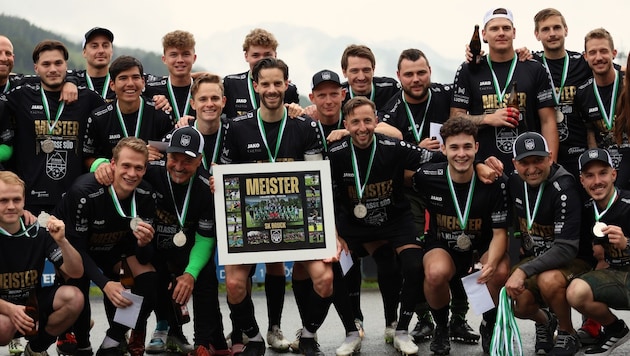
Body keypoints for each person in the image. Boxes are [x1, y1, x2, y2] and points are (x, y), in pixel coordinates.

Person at [220, 57, 333, 356]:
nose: (272, 89)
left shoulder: (305, 125)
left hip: (296, 222)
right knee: (233, 283)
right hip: (251, 224)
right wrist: (217, 182)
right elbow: (224, 173)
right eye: (265, 83)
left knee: (325, 279)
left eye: (277, 83)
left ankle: (307, 335)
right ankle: (255, 338)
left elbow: (316, 180)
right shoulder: (237, 126)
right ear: (255, 86)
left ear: (287, 85)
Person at [378, 48, 480, 345]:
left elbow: (472, 91)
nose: (416, 79)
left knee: (463, 252)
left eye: (421, 72)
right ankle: (425, 320)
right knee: (418, 257)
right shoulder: (393, 106)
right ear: (399, 77)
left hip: (453, 188)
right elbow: (377, 130)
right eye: (409, 74)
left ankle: (459, 320)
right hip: (411, 190)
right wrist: (412, 145)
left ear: (430, 71)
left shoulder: (446, 94)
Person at [328, 96, 435, 355]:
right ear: (346, 124)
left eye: (367, 120)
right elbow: (317, 189)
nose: (362, 127)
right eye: (355, 122)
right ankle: (351, 332)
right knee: (334, 267)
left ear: (376, 121)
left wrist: (477, 165)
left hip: (394, 221)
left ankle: (400, 329)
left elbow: (436, 158)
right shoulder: (335, 154)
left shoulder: (394, 146)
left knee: (413, 265)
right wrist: (333, 233)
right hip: (352, 225)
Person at [412, 117, 510, 354]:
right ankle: (442, 328)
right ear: (443, 148)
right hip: (443, 246)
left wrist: (492, 263)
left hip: (482, 246)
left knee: (499, 271)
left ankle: (489, 323)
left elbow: (499, 234)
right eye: (454, 147)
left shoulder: (493, 182)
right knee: (435, 273)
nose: (461, 154)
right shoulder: (426, 176)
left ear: (477, 148)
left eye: (467, 147)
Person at [53, 137, 158, 356]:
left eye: (138, 168)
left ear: (145, 169)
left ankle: (114, 339)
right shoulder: (84, 192)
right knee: (77, 280)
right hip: (76, 249)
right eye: (126, 166)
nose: (131, 173)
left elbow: (144, 255)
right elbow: (77, 249)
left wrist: (144, 243)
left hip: (112, 249)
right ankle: (82, 343)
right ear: (112, 164)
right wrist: (105, 284)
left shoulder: (146, 194)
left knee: (148, 278)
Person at [142, 126, 229, 356]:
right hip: (153, 249)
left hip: (187, 251)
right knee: (145, 275)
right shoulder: (150, 171)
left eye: (187, 161)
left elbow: (205, 237)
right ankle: (146, 331)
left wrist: (190, 274)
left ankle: (202, 342)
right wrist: (99, 165)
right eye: (174, 158)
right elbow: (116, 165)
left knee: (205, 274)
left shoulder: (206, 186)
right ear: (166, 155)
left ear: (200, 159)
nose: (179, 167)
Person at [504, 132, 593, 355]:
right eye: (525, 162)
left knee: (548, 279)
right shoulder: (514, 182)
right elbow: (514, 226)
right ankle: (545, 322)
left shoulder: (565, 187)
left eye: (538, 160)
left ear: (550, 157)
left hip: (573, 260)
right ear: (515, 163)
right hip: (537, 258)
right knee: (519, 301)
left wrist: (523, 270)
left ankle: (567, 332)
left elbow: (566, 248)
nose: (532, 168)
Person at [0, 39, 106, 214]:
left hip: (72, 199)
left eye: (58, 63)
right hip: (29, 201)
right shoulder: (21, 96)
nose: (53, 69)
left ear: (66, 66)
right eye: (46, 64)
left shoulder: (87, 98)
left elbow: (116, 117)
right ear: (36, 68)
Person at [450, 7, 559, 174]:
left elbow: (548, 121)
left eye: (506, 28)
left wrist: (551, 166)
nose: (501, 33)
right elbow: (455, 118)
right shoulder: (469, 70)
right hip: (485, 165)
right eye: (494, 29)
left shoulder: (534, 68)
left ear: (514, 32)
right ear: (484, 35)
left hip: (529, 164)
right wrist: (488, 119)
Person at [0, 171, 84, 356]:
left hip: (33, 303)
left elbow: (76, 272)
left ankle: (36, 348)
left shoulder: (38, 231)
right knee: (3, 327)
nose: (11, 206)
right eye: (3, 200)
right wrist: (10, 309)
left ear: (24, 201)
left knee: (74, 297)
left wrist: (62, 241)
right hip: (3, 309)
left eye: (16, 199)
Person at [566, 148, 630, 355]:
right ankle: (615, 329)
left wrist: (626, 243)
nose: (597, 181)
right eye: (589, 176)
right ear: (582, 180)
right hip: (614, 275)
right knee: (575, 292)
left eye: (603, 173)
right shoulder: (585, 210)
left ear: (614, 174)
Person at [531, 8, 594, 179]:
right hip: (541, 153)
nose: (552, 34)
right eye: (545, 29)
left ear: (566, 30)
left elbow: (616, 72)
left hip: (580, 151)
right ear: (537, 34)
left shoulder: (583, 63)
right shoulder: (531, 64)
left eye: (557, 28)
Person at [83, 55, 173, 169]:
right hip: (112, 181)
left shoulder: (160, 114)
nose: (130, 83)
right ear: (112, 85)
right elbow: (87, 158)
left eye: (135, 77)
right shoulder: (99, 118)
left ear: (143, 82)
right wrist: (102, 165)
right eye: (123, 78)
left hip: (150, 182)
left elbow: (170, 155)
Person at [574, 28, 628, 189]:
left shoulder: (627, 83)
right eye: (593, 52)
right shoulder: (582, 93)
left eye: (603, 51)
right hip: (605, 171)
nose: (598, 57)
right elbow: (590, 133)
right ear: (585, 56)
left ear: (614, 53)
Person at [222, 28, 300, 119]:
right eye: (256, 55)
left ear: (275, 55)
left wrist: (298, 110)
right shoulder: (231, 84)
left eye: (267, 55)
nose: (261, 59)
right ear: (246, 56)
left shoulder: (289, 89)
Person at [144, 30, 197, 124]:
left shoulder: (204, 90)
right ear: (164, 59)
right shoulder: (150, 90)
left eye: (185, 54)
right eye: (174, 55)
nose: (180, 60)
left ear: (194, 58)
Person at [340, 44, 399, 110]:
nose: (361, 77)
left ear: (373, 69)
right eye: (355, 71)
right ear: (344, 72)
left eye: (366, 70)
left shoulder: (391, 89)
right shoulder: (338, 95)